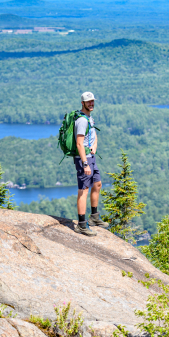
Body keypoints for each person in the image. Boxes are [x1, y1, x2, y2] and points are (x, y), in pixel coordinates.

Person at [73, 92, 109, 236]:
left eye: (92, 101)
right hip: (84, 159)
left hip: (91, 156)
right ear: (82, 103)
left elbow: (93, 135)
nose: (91, 103)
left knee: (97, 184)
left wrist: (95, 144)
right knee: (83, 190)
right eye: (88, 102)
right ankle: (81, 225)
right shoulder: (81, 120)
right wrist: (85, 164)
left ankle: (94, 217)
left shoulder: (89, 117)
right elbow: (79, 143)